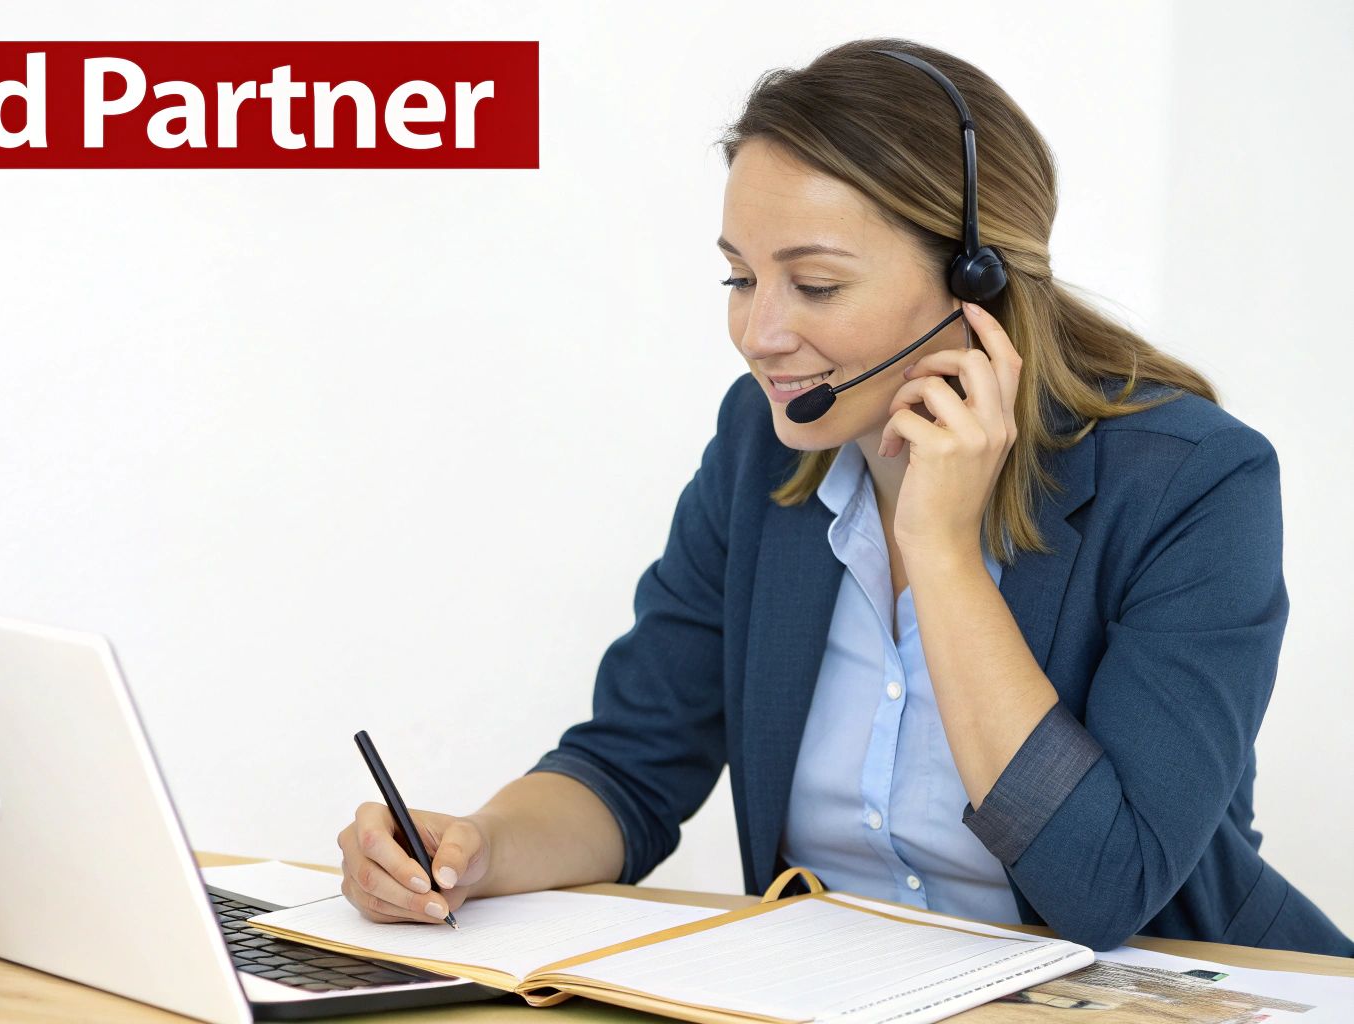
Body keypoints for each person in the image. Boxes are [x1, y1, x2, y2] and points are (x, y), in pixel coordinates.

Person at [334, 37, 1353, 956]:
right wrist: (472, 849)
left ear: (977, 279)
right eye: (738, 280)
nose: (758, 335)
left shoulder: (1189, 482)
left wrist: (944, 556)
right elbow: (630, 767)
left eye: (813, 286)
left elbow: (1105, 886)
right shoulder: (763, 449)